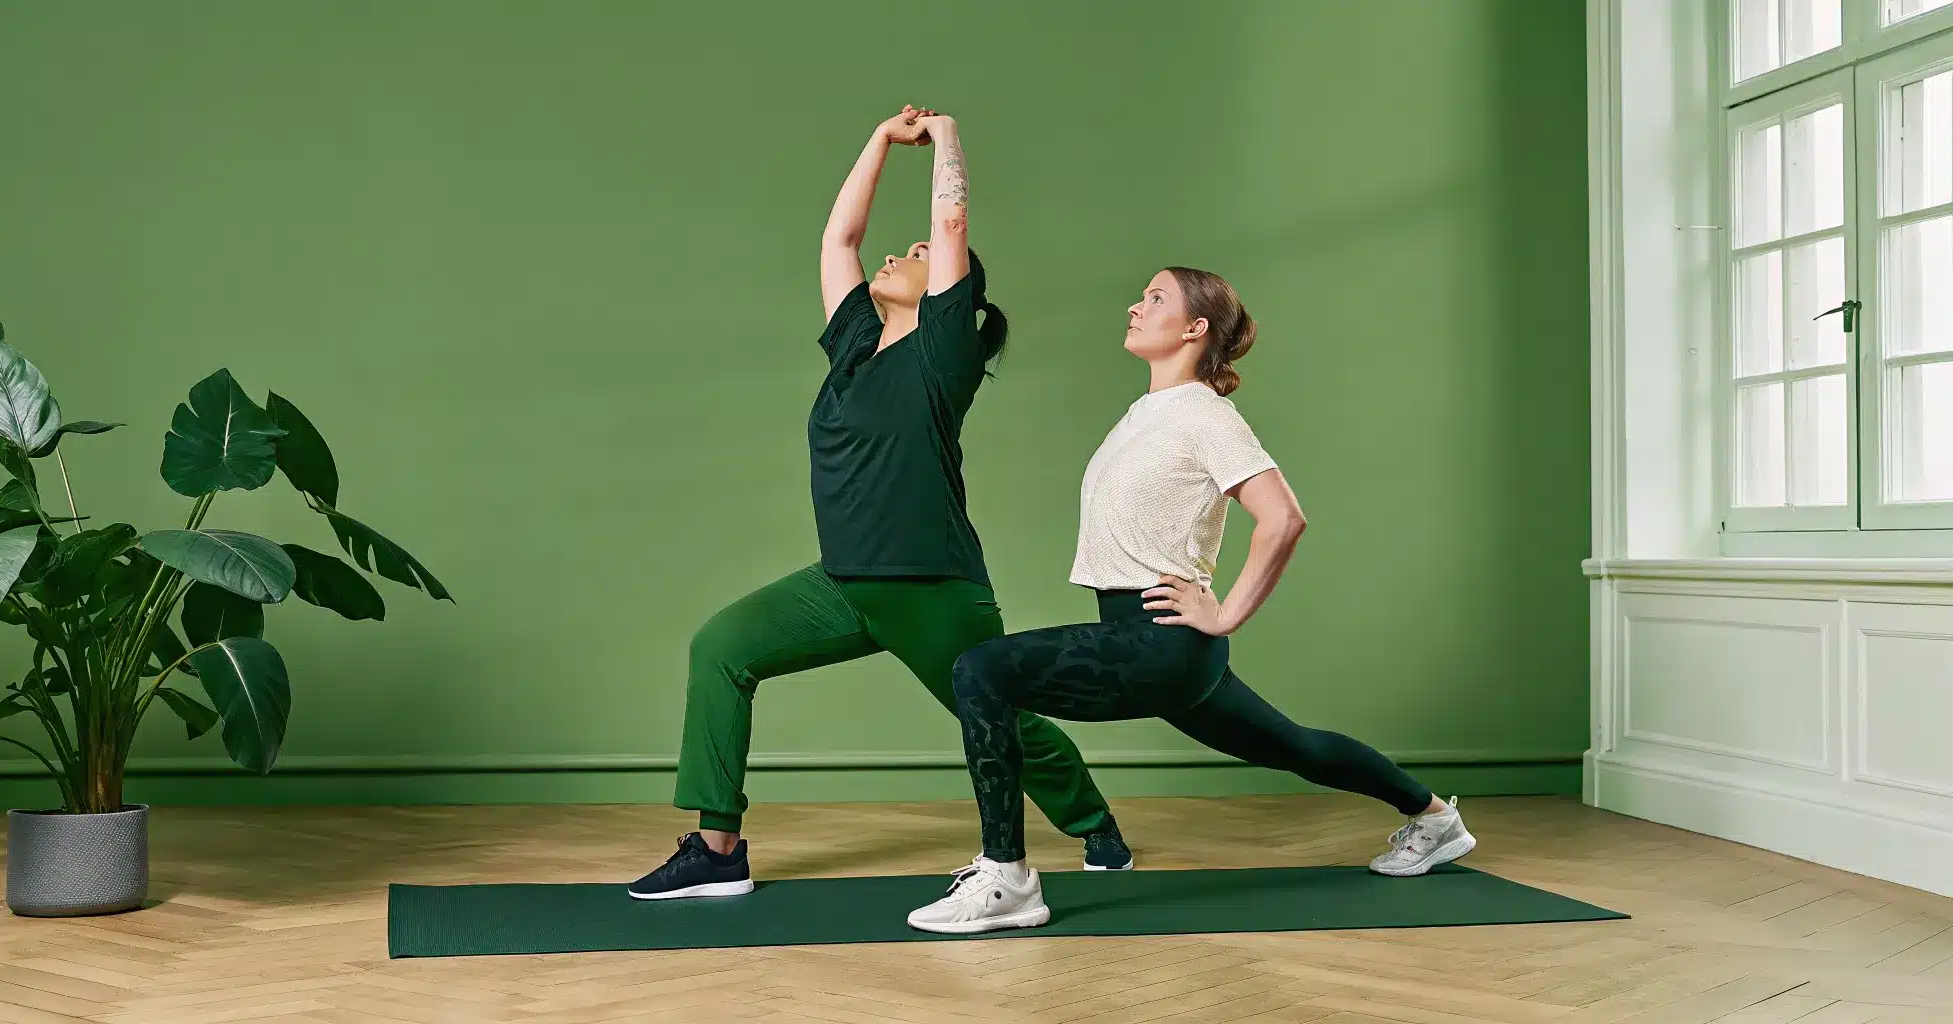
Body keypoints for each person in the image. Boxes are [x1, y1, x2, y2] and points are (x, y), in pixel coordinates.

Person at [629, 108, 1133, 901]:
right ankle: (717, 847)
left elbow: (952, 214)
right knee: (720, 647)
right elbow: (839, 241)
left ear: (947, 292)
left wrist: (946, 137)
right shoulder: (855, 346)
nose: (901, 253)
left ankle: (1094, 823)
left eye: (920, 254)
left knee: (998, 719)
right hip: (842, 581)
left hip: (929, 586)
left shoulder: (943, 352)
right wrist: (876, 141)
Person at [906, 267, 1475, 934]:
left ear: (1195, 328)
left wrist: (1226, 613)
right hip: (1160, 647)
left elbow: (1283, 517)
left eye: (1155, 299)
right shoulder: (1147, 413)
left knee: (982, 670)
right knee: (1295, 747)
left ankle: (1006, 877)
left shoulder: (1207, 416)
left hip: (1158, 642)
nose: (1135, 306)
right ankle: (1436, 817)